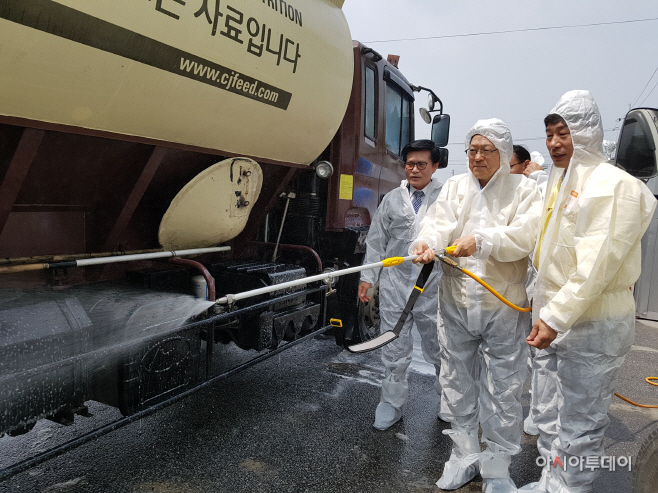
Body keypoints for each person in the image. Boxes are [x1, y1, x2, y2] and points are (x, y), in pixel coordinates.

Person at [519, 90, 657, 493]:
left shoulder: (614, 186)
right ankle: (550, 481)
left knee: (580, 424)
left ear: (589, 132)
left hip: (593, 321)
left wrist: (554, 317)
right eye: (549, 134)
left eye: (564, 132)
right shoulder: (560, 182)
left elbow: (595, 268)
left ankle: (569, 489)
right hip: (555, 316)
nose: (554, 143)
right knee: (548, 415)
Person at [413, 119, 542, 493]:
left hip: (502, 303)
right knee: (455, 380)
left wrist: (482, 240)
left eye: (486, 150)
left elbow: (525, 235)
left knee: (504, 385)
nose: (478, 157)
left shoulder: (523, 190)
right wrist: (425, 243)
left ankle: (498, 466)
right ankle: (464, 456)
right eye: (472, 149)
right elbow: (437, 224)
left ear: (503, 153)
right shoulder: (455, 186)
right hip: (455, 300)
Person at [358, 139, 444, 431]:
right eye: (410, 164)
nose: (415, 169)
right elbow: (376, 241)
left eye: (422, 164)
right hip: (396, 285)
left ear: (435, 165)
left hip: (433, 286)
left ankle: (449, 400)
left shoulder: (447, 198)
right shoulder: (392, 199)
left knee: (440, 346)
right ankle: (391, 404)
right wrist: (368, 279)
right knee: (394, 346)